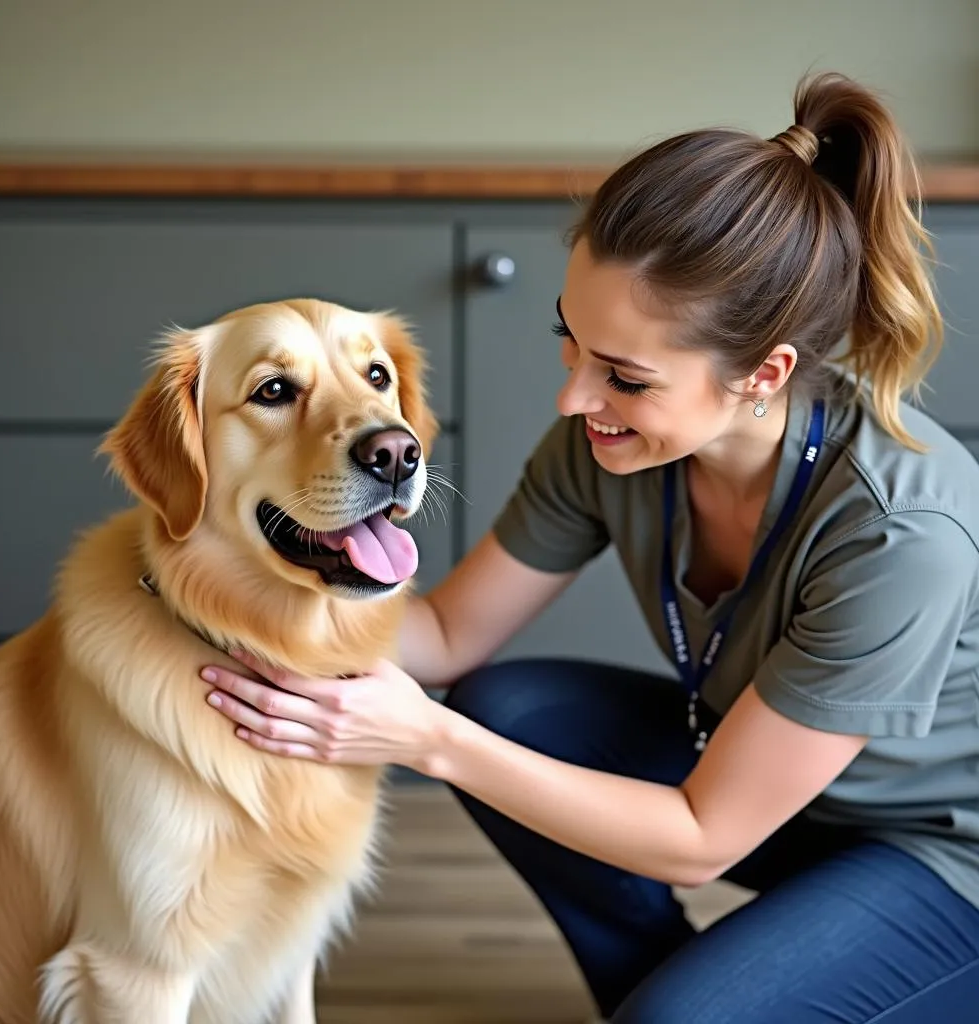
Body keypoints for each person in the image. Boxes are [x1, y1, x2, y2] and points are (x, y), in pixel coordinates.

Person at [198, 71, 979, 1023]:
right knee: (513, 706)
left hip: (943, 858)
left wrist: (431, 741)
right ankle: (660, 988)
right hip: (775, 796)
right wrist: (224, 592)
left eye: (624, 376)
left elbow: (700, 838)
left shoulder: (903, 532)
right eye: (570, 343)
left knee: (677, 1010)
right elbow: (445, 634)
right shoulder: (614, 440)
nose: (573, 399)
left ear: (762, 374)